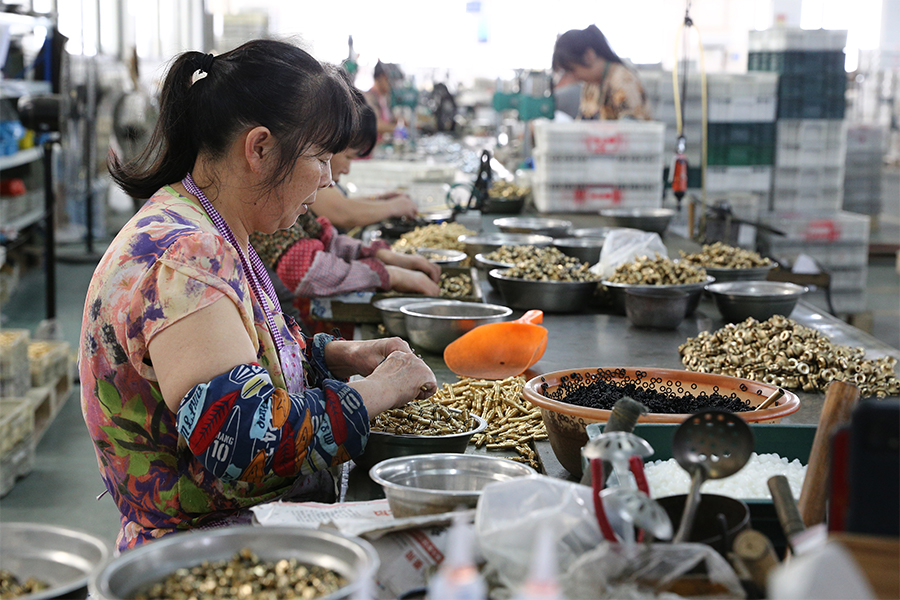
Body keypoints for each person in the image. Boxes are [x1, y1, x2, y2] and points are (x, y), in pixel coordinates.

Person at [81, 39, 437, 552]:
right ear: (260, 148)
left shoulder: (213, 223)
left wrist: (337, 355)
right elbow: (247, 447)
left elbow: (247, 351)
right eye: (320, 156)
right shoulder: (186, 258)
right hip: (210, 557)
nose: (330, 178)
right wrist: (377, 392)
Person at [310, 100, 419, 231]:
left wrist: (379, 200)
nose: (347, 170)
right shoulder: (309, 177)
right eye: (348, 157)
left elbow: (343, 203)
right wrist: (393, 206)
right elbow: (343, 212)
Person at [552, 25, 652, 121]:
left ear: (589, 56)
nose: (574, 77)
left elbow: (631, 130)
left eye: (573, 70)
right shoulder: (591, 85)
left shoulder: (624, 81)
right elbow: (584, 124)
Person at [363, 60, 397, 138]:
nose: (391, 85)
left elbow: (389, 118)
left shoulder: (383, 98)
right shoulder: (368, 98)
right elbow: (376, 125)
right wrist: (398, 129)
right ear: (381, 78)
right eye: (389, 81)